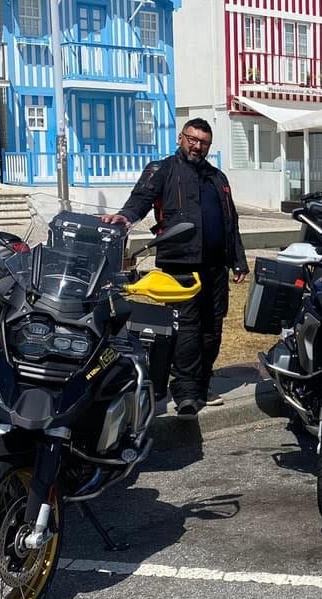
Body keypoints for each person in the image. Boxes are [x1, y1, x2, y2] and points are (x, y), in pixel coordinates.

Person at [101, 118, 249, 417]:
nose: (197, 146)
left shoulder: (217, 178)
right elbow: (140, 200)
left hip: (215, 266)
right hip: (179, 262)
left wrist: (238, 259)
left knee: (213, 328)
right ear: (181, 138)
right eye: (192, 140)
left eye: (204, 142)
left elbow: (230, 222)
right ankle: (185, 392)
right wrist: (124, 217)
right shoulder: (164, 169)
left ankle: (202, 383)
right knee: (187, 329)